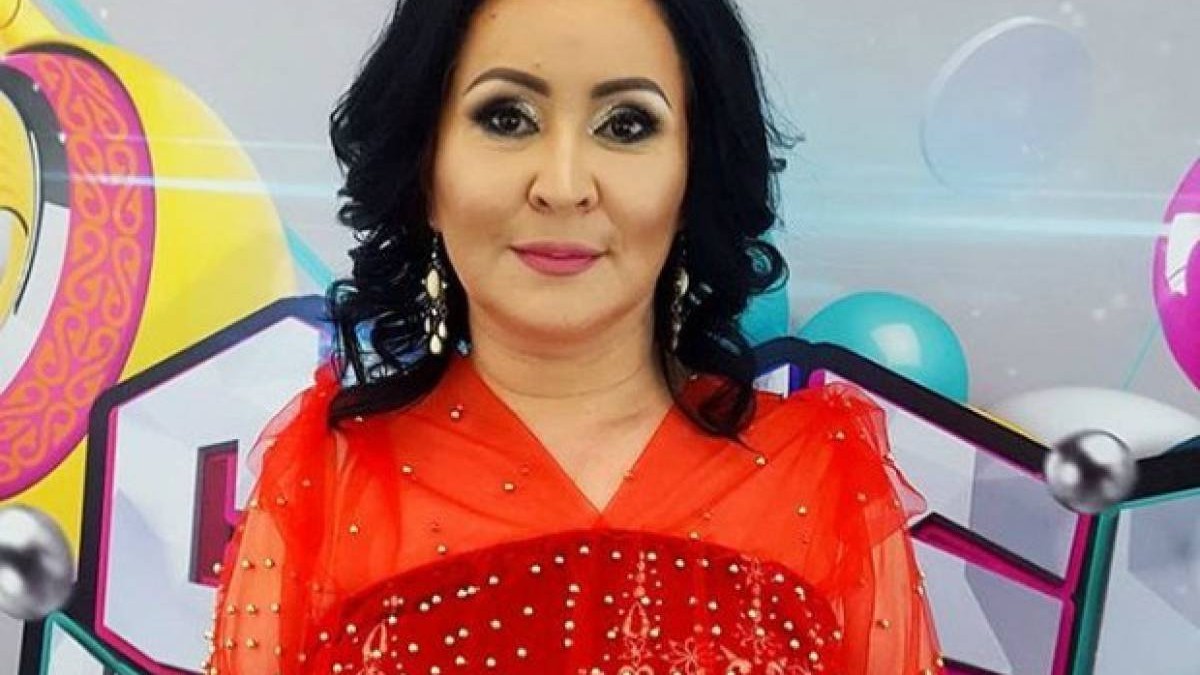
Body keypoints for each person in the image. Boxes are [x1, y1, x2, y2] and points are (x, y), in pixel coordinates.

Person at [204, 0, 945, 672]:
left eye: (626, 125)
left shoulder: (815, 478)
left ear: (695, 174)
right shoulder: (330, 485)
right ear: (426, 167)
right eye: (507, 118)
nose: (562, 186)